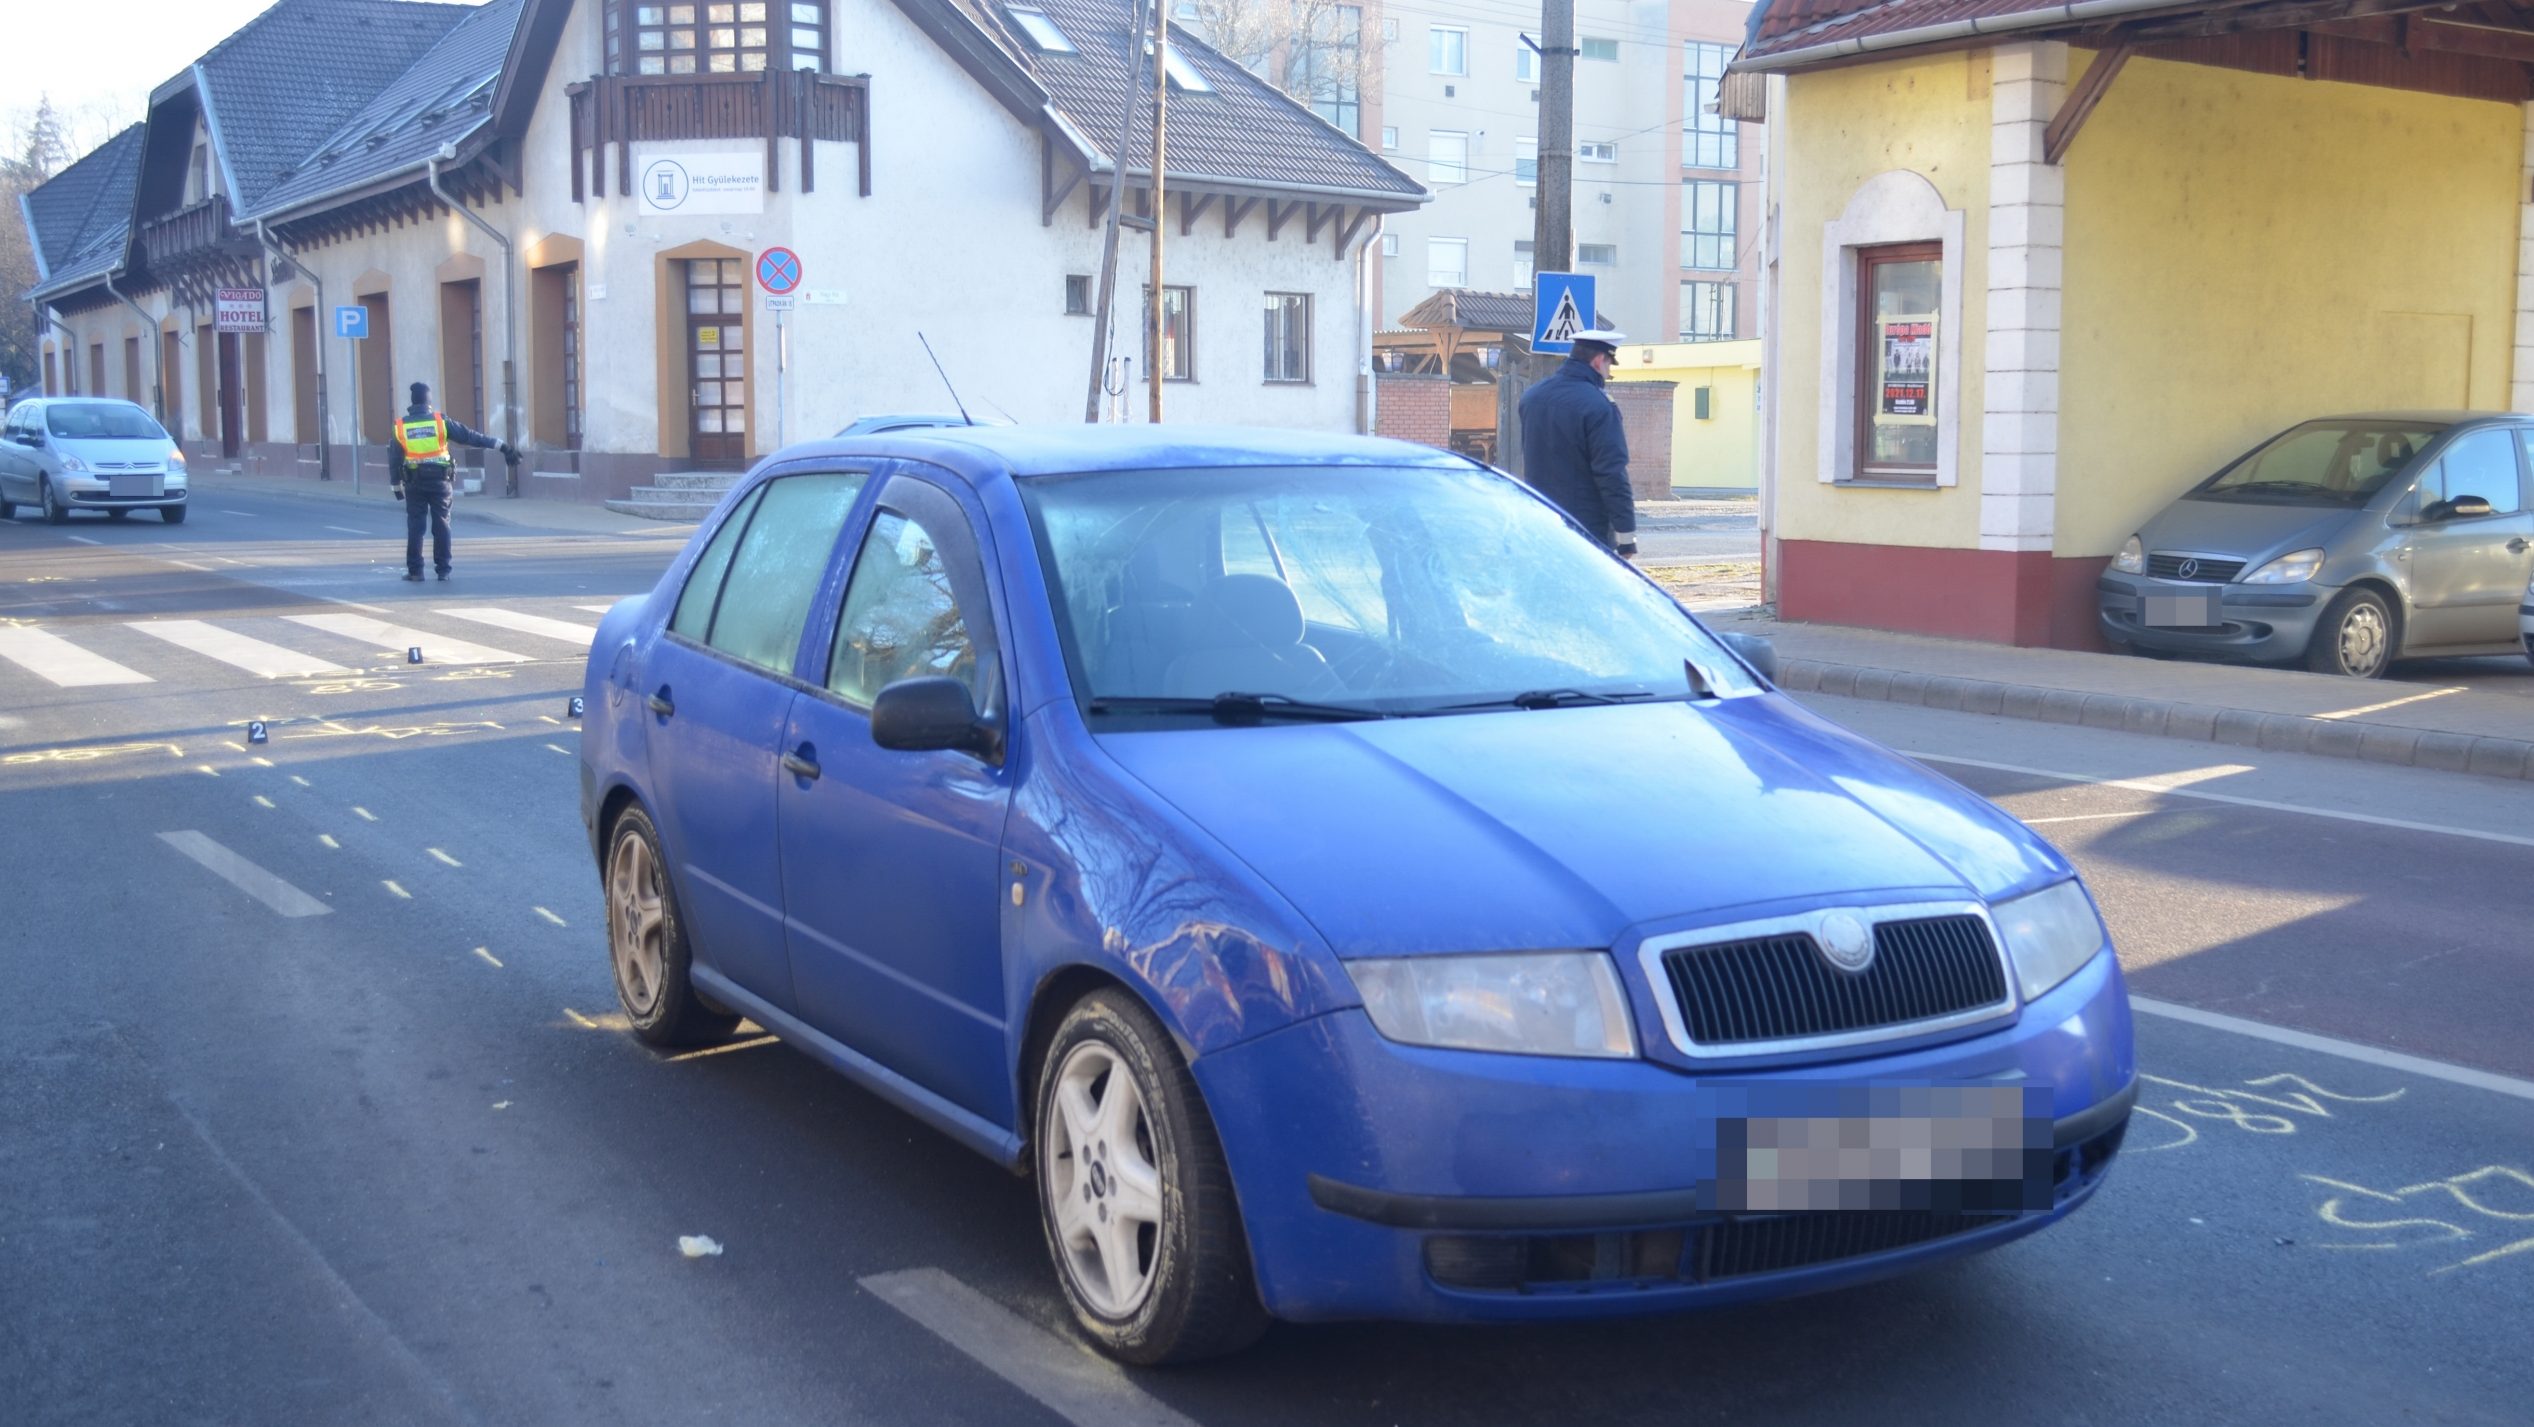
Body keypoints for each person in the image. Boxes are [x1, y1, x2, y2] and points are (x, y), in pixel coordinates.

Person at [1516, 326, 1638, 558]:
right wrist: (1626, 537)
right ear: (1599, 360)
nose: (1608, 372)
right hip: (1585, 526)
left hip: (1540, 519)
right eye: (1609, 365)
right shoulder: (1599, 406)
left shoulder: (1532, 397)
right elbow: (1611, 472)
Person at [388, 381, 515, 582]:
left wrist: (396, 486)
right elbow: (470, 437)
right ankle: (443, 571)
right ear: (429, 402)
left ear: (412, 403)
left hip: (414, 483)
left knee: (415, 525)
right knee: (442, 524)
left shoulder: (401, 426)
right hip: (440, 481)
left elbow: (394, 458)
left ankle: (415, 571)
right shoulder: (440, 422)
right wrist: (502, 446)